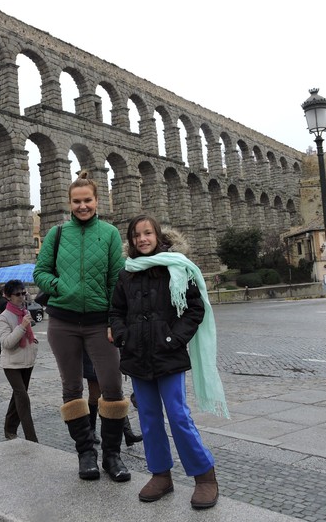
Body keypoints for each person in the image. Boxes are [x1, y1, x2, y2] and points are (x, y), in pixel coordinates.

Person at [109, 214, 229, 510]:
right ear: (131, 240)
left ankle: (204, 476)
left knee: (178, 416)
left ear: (158, 236)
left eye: (147, 233)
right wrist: (123, 336)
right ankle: (161, 474)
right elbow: (116, 312)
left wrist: (173, 340)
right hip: (137, 355)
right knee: (149, 419)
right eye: (136, 235)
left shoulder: (177, 267)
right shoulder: (127, 274)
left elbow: (194, 309)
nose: (142, 239)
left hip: (168, 355)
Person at [34, 170, 130, 483]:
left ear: (97, 201)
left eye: (87, 200)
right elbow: (40, 272)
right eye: (77, 201)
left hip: (99, 322)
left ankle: (112, 455)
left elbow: (118, 279)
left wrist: (116, 320)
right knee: (72, 387)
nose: (82, 206)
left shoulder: (110, 233)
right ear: (70, 203)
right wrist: (61, 287)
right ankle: (85, 452)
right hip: (62, 320)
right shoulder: (56, 234)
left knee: (112, 386)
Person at [0, 279, 39, 442]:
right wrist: (22, 326)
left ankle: (9, 429)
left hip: (27, 362)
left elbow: (28, 334)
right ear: (8, 296)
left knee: (18, 396)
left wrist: (33, 341)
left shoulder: (25, 312)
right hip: (12, 364)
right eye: (17, 294)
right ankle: (32, 439)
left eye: (24, 293)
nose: (22, 297)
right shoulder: (4, 317)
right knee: (23, 398)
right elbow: (6, 343)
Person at [83, 349, 142, 446]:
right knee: (94, 396)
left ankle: (128, 433)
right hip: (92, 358)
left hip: (108, 358)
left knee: (116, 395)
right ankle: (91, 429)